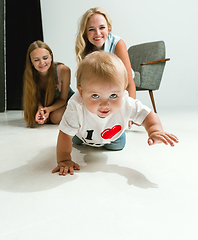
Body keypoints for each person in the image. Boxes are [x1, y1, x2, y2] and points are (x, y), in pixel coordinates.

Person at [52, 51, 178, 176]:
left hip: (113, 135)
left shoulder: (126, 102)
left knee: (117, 146)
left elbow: (148, 115)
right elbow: (64, 134)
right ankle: (80, 139)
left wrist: (154, 130)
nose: (105, 104)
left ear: (123, 90)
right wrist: (64, 159)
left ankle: (112, 139)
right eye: (95, 95)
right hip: (82, 134)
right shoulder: (76, 105)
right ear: (81, 91)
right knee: (74, 139)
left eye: (113, 95)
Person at [75, 7, 136, 99]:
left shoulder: (118, 44)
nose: (97, 33)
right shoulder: (84, 47)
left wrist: (131, 111)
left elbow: (130, 84)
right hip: (100, 85)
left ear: (109, 29)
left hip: (118, 84)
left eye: (102, 27)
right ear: (85, 33)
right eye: (91, 29)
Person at [23, 40, 74, 127]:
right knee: (36, 117)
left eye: (45, 58)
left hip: (65, 102)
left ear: (51, 56)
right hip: (46, 105)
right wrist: (41, 109)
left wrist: (48, 109)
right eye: (36, 60)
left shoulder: (63, 70)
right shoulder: (31, 75)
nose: (42, 63)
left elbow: (63, 99)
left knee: (55, 117)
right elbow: (37, 97)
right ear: (31, 61)